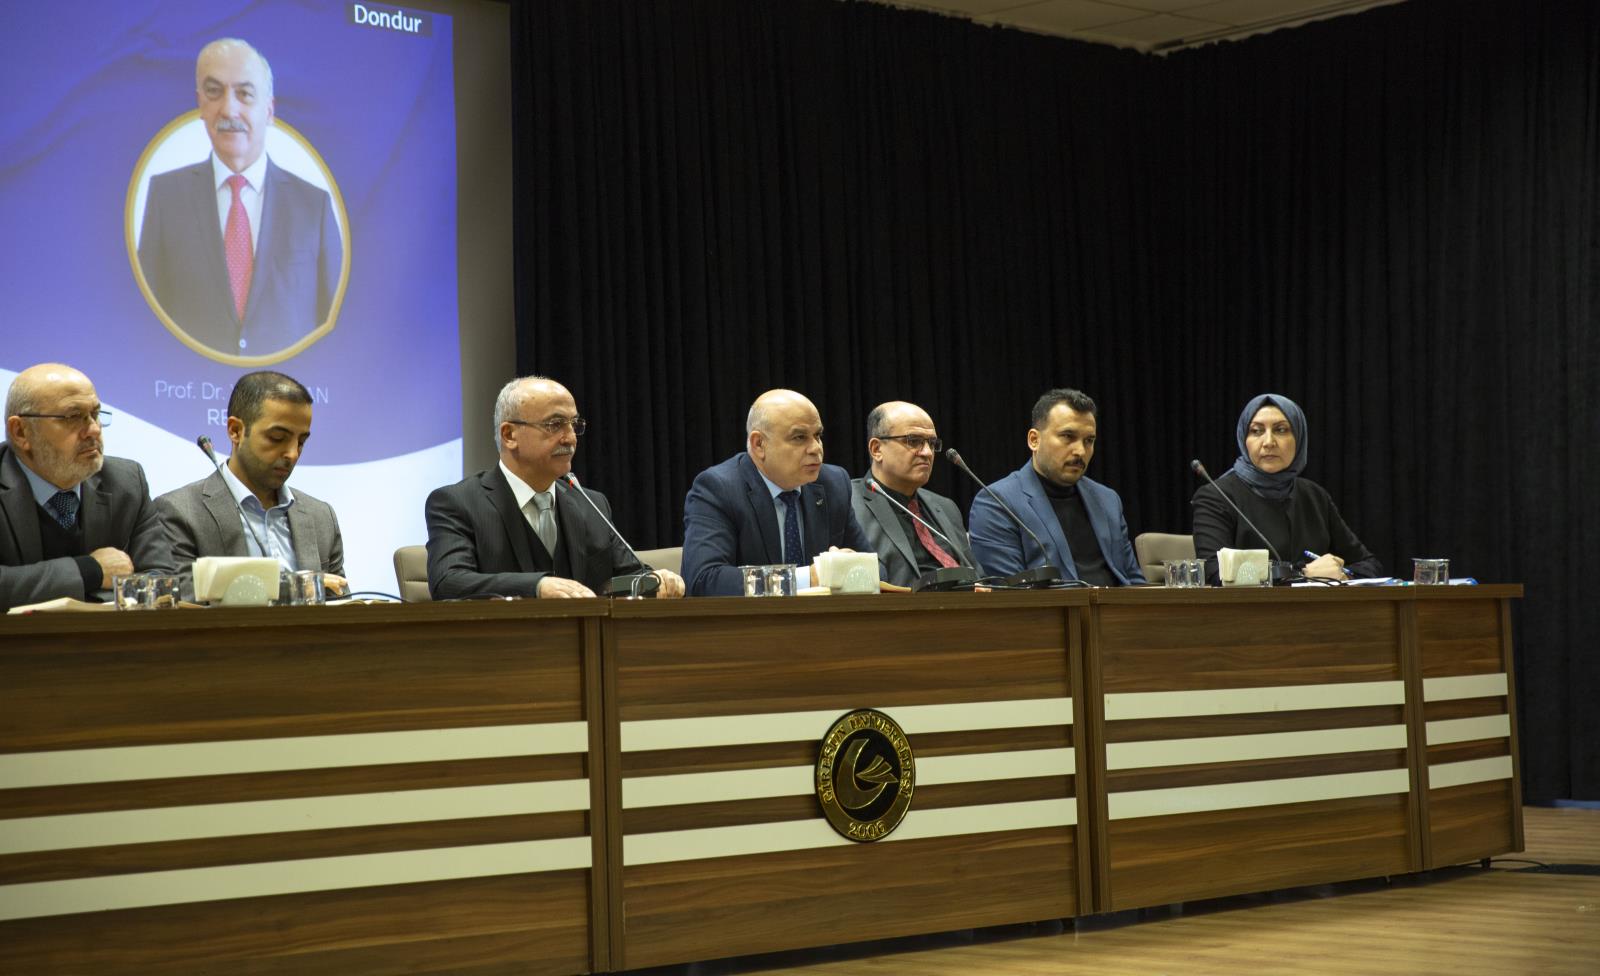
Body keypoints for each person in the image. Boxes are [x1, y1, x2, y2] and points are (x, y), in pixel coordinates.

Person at [137, 38, 342, 357]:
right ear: (200, 103)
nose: (229, 109)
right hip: (182, 381)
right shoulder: (165, 196)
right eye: (214, 92)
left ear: (269, 110)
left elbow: (335, 324)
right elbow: (144, 317)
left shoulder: (314, 206)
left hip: (285, 386)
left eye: (245, 94)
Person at [426, 377, 685, 599]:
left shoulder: (590, 504)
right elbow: (448, 581)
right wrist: (537, 586)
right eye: (555, 424)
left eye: (574, 424)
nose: (570, 438)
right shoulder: (457, 503)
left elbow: (620, 580)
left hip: (587, 640)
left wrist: (654, 580)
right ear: (509, 435)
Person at [1, 364, 175, 611]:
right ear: (21, 432)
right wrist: (90, 571)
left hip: (107, 635)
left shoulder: (126, 483)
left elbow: (160, 582)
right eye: (73, 417)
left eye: (95, 414)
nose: (93, 429)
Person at [156, 371, 346, 593]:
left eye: (301, 442)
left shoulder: (321, 517)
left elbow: (344, 604)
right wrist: (296, 588)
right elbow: (184, 595)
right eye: (277, 438)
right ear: (235, 431)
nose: (293, 454)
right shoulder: (180, 511)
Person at [682, 389, 874, 596]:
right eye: (799, 437)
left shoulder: (833, 484)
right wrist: (806, 578)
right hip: (753, 617)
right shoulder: (719, 488)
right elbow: (704, 579)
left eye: (817, 436)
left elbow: (877, 570)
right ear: (759, 444)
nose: (816, 448)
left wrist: (853, 566)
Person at [1191, 393, 1381, 582]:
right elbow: (1214, 572)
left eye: (1281, 430)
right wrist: (1304, 574)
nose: (1268, 442)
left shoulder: (1315, 496)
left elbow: (1369, 564)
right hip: (1248, 603)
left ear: (1299, 437)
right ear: (1243, 438)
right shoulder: (1216, 496)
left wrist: (1344, 573)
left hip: (1316, 603)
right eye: (1256, 431)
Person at [967, 388, 1144, 585]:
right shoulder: (997, 502)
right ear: (1034, 440)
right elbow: (1011, 593)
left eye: (1089, 441)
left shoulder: (1107, 499)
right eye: (1068, 436)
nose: (1080, 451)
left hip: (1118, 605)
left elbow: (1134, 581)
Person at [850, 401, 980, 586]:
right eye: (913, 441)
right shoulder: (849, 503)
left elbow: (977, 576)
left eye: (932, 443)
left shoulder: (946, 507)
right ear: (876, 449)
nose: (927, 452)